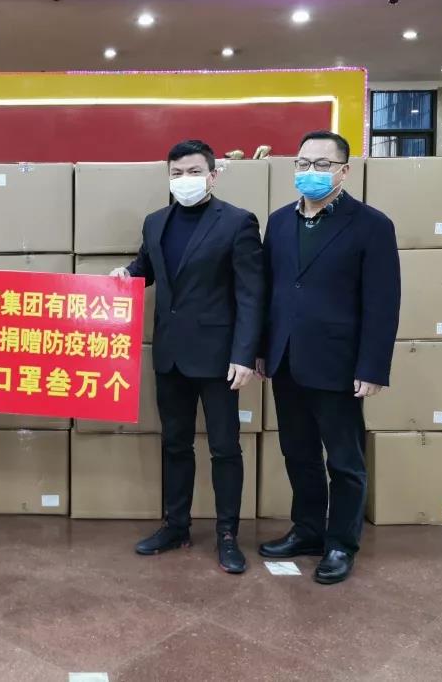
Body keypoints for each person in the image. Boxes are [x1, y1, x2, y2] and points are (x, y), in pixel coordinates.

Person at [113, 140, 265, 574]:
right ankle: (175, 525)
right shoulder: (155, 222)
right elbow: (147, 268)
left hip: (219, 358)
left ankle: (227, 535)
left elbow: (251, 294)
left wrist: (245, 354)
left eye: (194, 172)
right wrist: (126, 276)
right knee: (175, 443)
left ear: (213, 176)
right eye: (177, 173)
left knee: (224, 447)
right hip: (170, 355)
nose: (185, 180)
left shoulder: (237, 222)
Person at [257, 130, 400, 585]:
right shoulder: (279, 222)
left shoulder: (371, 224)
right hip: (286, 358)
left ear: (344, 170)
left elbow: (382, 302)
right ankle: (308, 530)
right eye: (303, 164)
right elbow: (269, 291)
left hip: (339, 363)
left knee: (343, 459)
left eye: (322, 165)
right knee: (298, 452)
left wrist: (372, 366)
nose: (311, 172)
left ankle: (341, 543)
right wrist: (261, 349)